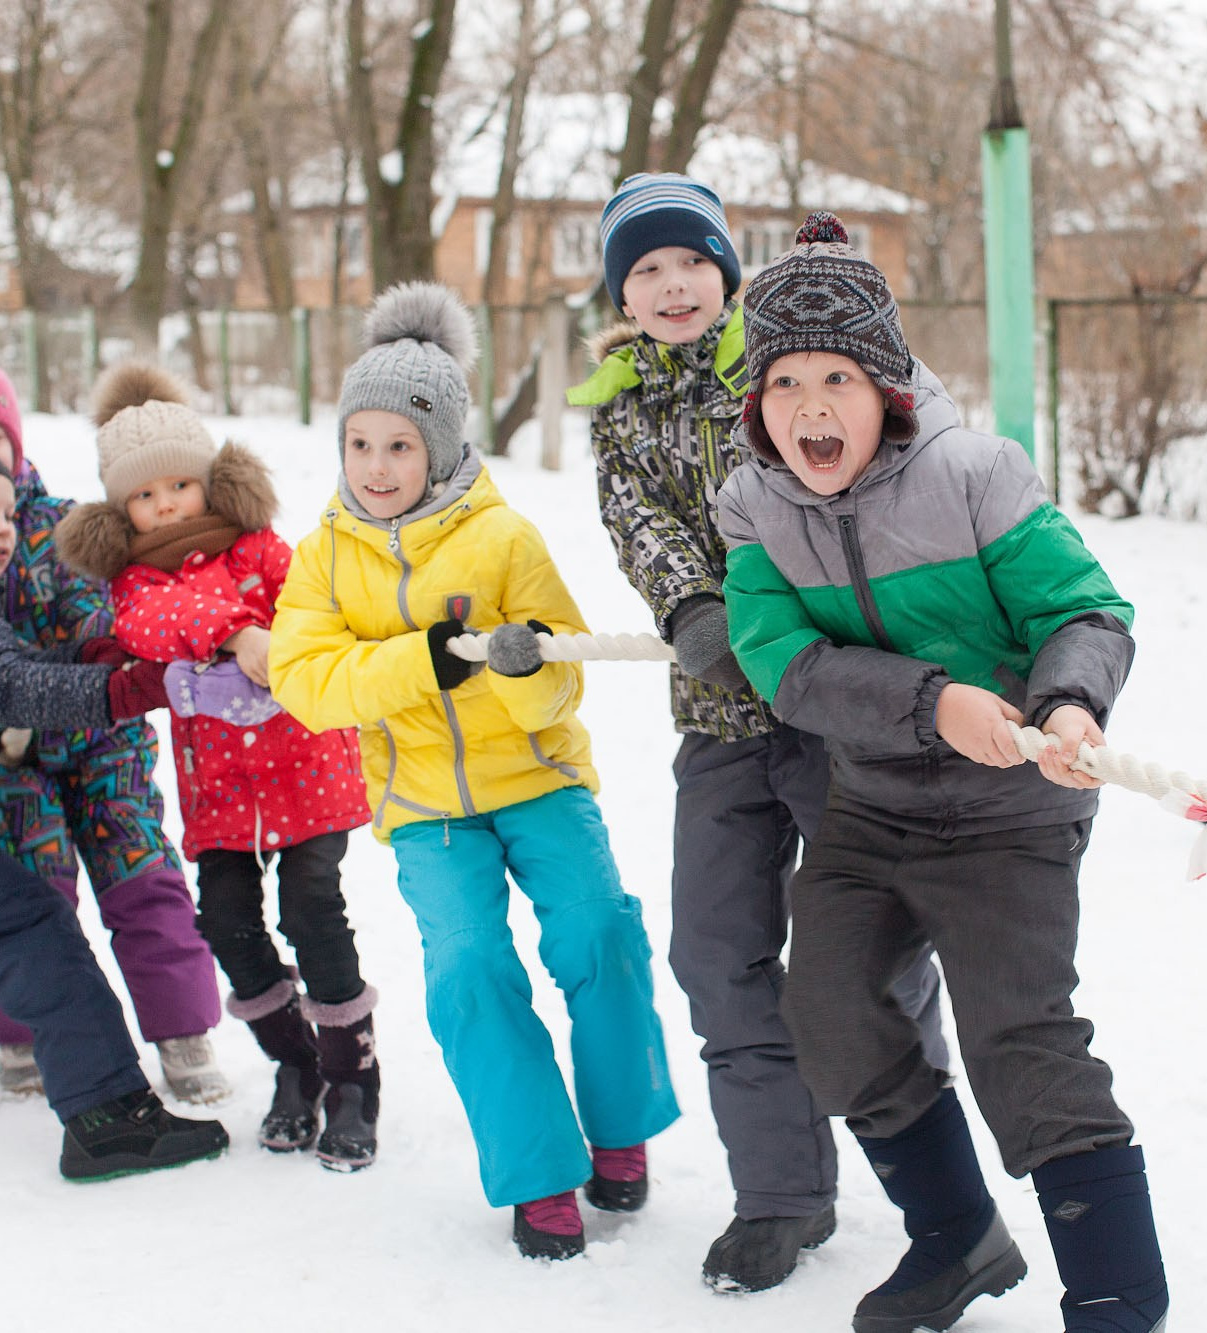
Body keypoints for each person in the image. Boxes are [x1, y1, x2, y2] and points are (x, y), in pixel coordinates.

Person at [715, 209, 1167, 1333]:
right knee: (824, 1011)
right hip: (869, 810)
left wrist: (1062, 699)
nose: (809, 406)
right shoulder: (754, 508)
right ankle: (954, 1236)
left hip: (1007, 814)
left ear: (889, 386)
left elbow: (1085, 609)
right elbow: (785, 663)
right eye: (782, 383)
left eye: (836, 377)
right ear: (756, 404)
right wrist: (930, 702)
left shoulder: (973, 475)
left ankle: (1118, 1292)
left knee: (1020, 1040)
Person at [567, 170, 950, 1292]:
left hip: (834, 704)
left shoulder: (780, 365)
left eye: (690, 261)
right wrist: (694, 610)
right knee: (716, 949)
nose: (674, 284)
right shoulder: (619, 410)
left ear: (725, 272)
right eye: (646, 269)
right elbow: (635, 522)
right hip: (721, 716)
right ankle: (779, 1191)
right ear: (622, 295)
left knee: (873, 944)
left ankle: (921, 1151)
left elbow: (850, 474)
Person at [269, 281, 679, 1260]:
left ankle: (618, 1122)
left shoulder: (503, 537)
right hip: (424, 808)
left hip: (537, 782)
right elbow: (307, 679)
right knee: (469, 971)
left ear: (443, 445)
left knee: (598, 935)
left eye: (400, 445)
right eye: (359, 444)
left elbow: (565, 673)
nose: (376, 467)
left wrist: (528, 660)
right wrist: (429, 659)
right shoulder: (324, 554)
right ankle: (539, 1173)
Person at [0, 437, 228, 1179]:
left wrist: (89, 662)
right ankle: (109, 1116)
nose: (4, 527)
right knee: (28, 922)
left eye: (8, 511)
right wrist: (129, 690)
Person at [53, 363, 377, 1167]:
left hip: (309, 771)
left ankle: (353, 1079)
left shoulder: (263, 548)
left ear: (209, 483)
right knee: (228, 921)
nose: (165, 505)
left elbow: (309, 608)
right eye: (144, 495)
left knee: (311, 909)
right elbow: (153, 622)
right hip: (223, 793)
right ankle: (294, 1064)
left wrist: (283, 643)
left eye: (178, 486)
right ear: (122, 510)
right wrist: (239, 636)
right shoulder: (135, 582)